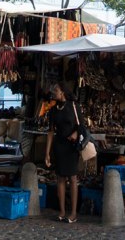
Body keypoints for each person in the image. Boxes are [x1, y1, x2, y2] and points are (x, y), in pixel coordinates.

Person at [44, 83, 84, 223]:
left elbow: (82, 126)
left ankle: (73, 213)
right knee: (60, 178)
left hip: (72, 147)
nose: (53, 93)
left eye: (56, 90)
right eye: (53, 91)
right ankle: (61, 211)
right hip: (59, 146)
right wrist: (47, 153)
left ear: (63, 92)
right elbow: (50, 132)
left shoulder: (73, 106)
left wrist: (75, 133)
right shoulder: (53, 110)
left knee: (72, 178)